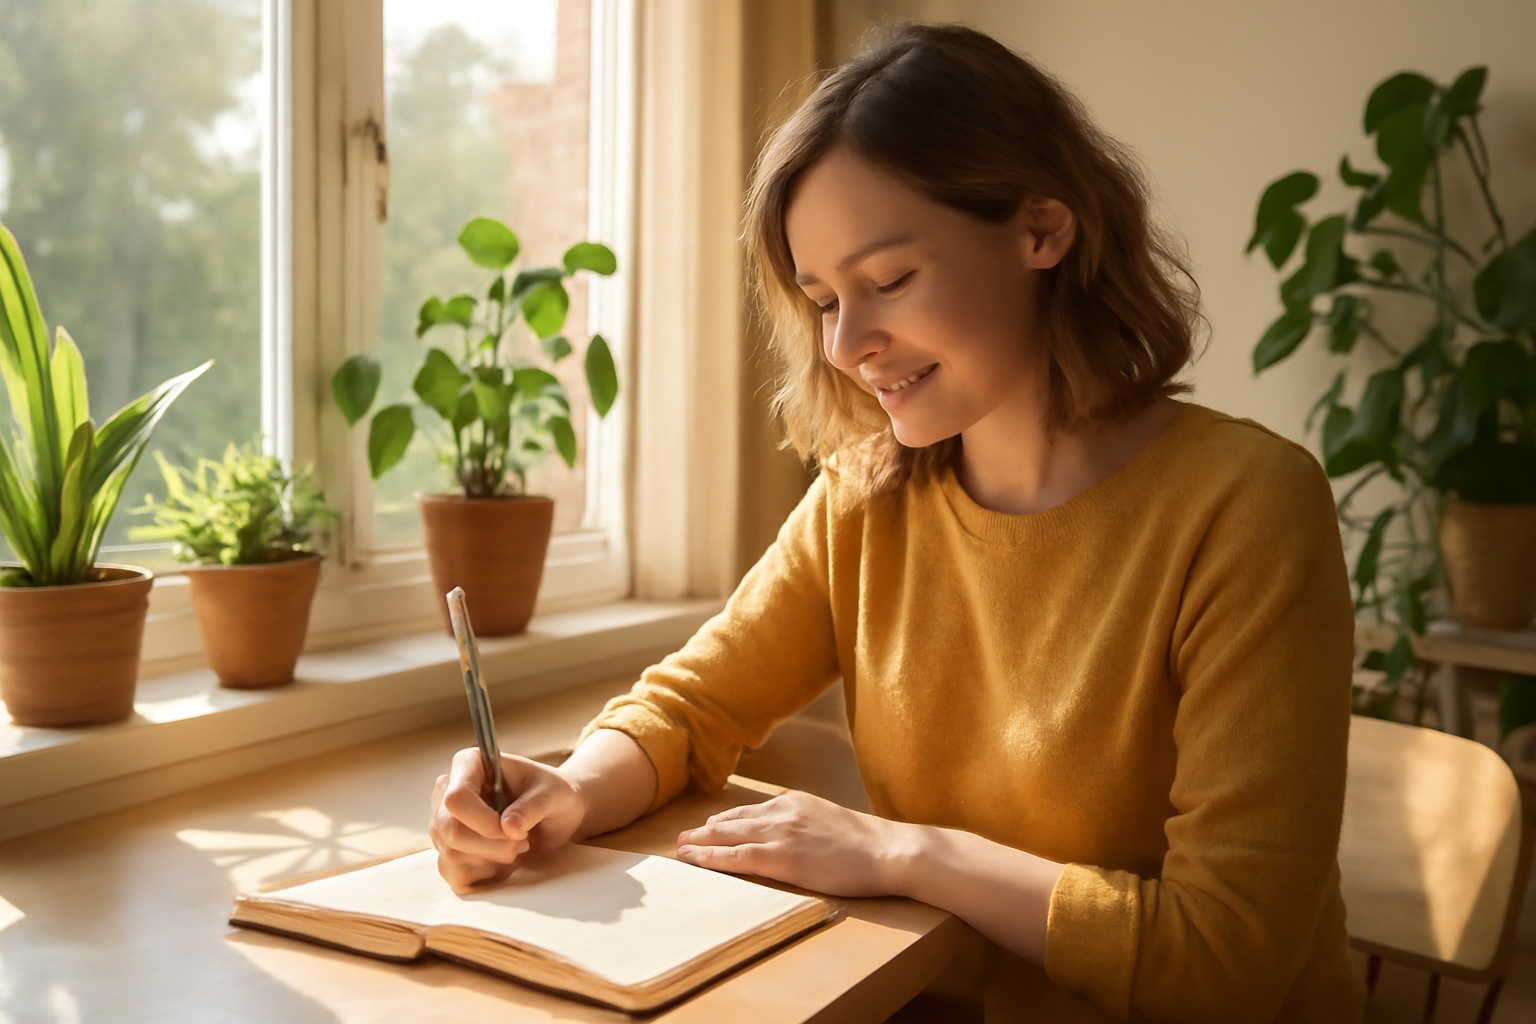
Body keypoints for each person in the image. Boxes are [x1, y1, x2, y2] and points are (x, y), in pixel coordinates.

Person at [430, 22, 1364, 1023]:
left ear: (1042, 229)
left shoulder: (1248, 507)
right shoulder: (864, 497)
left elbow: (1227, 962)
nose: (847, 344)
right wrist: (569, 791)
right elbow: (690, 709)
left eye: (889, 280)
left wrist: (898, 851)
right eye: (824, 297)